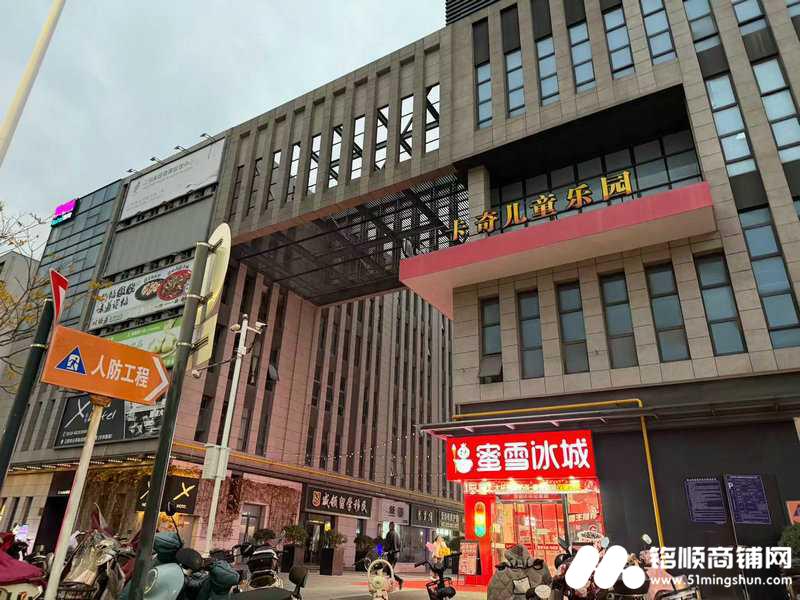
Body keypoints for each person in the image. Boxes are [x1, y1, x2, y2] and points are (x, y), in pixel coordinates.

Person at [384, 522, 403, 590]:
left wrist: (387, 552)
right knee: (389, 570)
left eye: (389, 526)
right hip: (396, 555)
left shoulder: (390, 533)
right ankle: (391, 584)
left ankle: (399, 580)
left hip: (391, 555)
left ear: (390, 526)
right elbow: (399, 546)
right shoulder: (397, 534)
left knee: (389, 571)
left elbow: (388, 545)